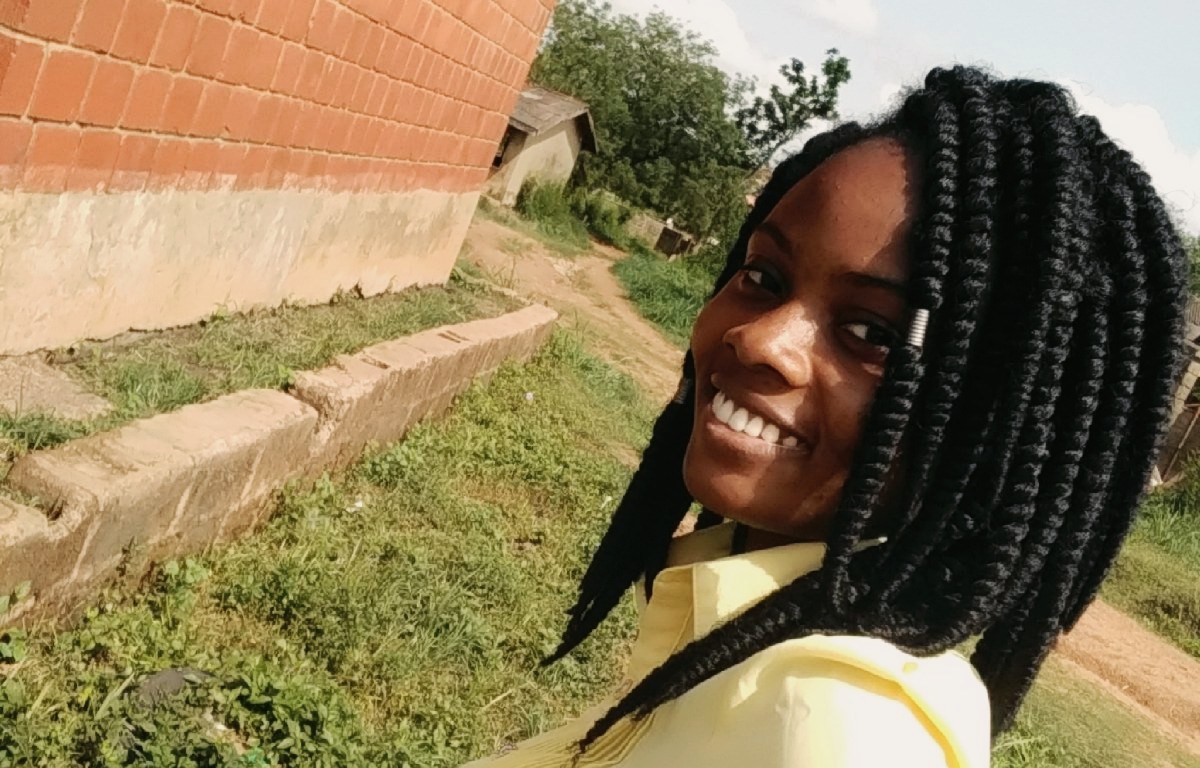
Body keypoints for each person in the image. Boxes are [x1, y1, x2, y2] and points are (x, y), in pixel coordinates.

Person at [463, 65, 1187, 767]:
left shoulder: (838, 728)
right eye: (762, 276)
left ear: (997, 432)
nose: (759, 339)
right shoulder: (747, 627)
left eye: (871, 333)